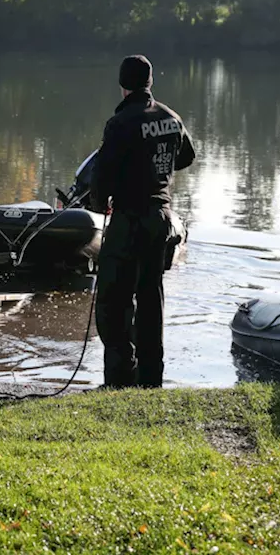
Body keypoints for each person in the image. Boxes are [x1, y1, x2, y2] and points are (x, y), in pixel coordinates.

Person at [90, 55, 196, 389]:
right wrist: (157, 168)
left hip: (130, 221)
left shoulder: (120, 123)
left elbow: (101, 176)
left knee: (114, 300)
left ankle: (120, 378)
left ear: (123, 85)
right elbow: (188, 156)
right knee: (151, 298)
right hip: (161, 220)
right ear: (150, 82)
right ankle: (150, 379)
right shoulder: (170, 117)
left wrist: (100, 203)